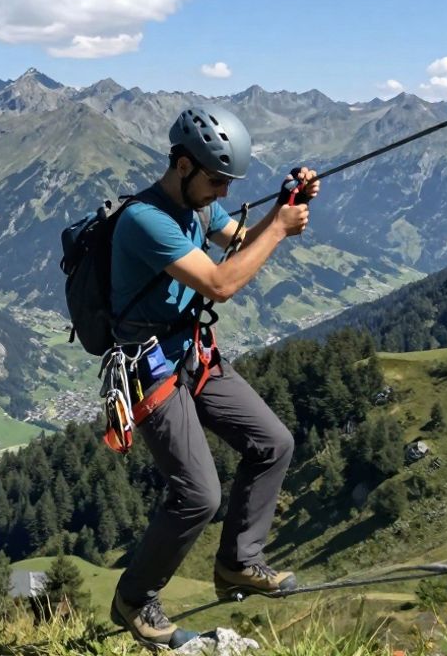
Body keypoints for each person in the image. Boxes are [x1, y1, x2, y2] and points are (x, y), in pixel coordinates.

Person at [107, 106, 320, 649]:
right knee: (198, 494)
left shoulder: (199, 208)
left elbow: (237, 242)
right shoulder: (146, 220)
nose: (223, 191)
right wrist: (278, 227)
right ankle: (133, 599)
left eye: (230, 182)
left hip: (192, 356)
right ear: (182, 165)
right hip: (149, 370)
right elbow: (221, 283)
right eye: (216, 179)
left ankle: (238, 562)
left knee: (273, 443)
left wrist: (284, 203)